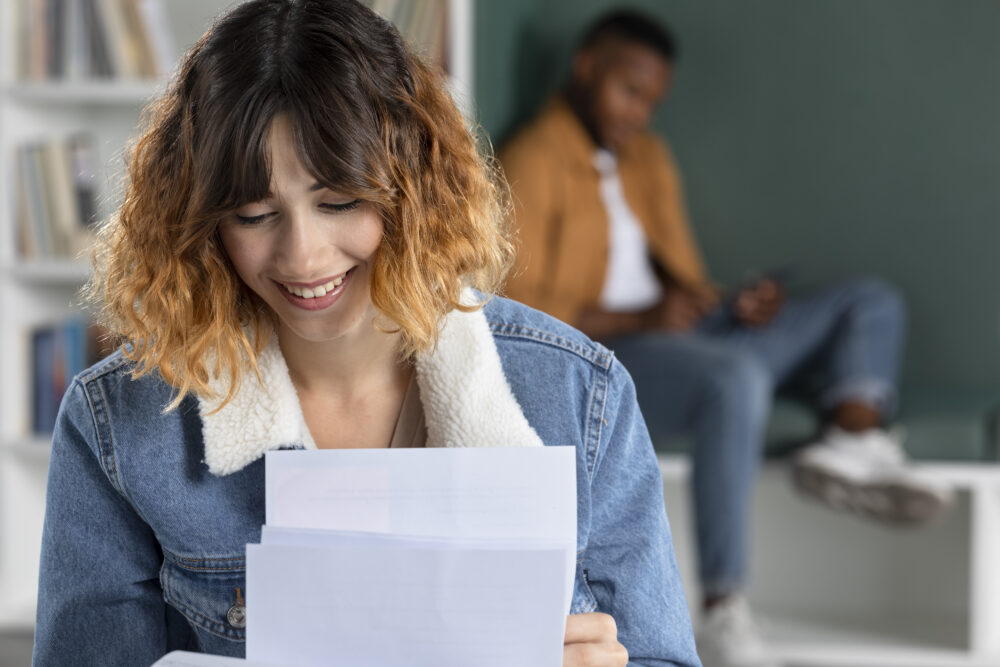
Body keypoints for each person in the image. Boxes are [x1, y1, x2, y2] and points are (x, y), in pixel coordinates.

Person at [31, 2, 701, 666]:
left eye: (339, 202)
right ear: (203, 225)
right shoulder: (120, 422)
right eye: (255, 214)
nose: (303, 257)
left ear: (411, 187)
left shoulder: (582, 395)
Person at [499, 10, 953, 667]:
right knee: (732, 379)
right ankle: (723, 608)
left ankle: (853, 440)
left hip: (693, 333)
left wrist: (730, 301)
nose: (639, 114)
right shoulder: (532, 160)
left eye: (652, 102)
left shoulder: (646, 157)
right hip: (618, 354)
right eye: (630, 92)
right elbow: (527, 321)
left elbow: (678, 272)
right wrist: (647, 318)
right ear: (587, 66)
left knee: (869, 301)